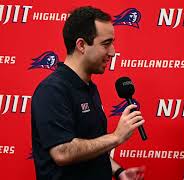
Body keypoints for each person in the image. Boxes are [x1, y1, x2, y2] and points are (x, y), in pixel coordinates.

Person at [31, 6, 145, 180]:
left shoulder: (89, 88)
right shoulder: (52, 90)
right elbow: (62, 152)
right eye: (106, 44)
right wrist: (115, 137)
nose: (113, 52)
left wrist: (117, 171)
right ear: (81, 45)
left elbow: (90, 145)